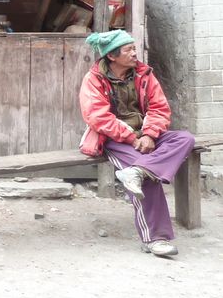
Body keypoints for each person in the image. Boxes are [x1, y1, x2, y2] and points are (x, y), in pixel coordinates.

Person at [79, 30, 195, 258]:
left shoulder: (144, 74)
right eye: (128, 49)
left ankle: (137, 171)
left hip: (146, 134)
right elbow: (98, 117)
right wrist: (133, 137)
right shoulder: (93, 79)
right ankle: (155, 239)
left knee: (185, 139)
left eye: (134, 48)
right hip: (113, 138)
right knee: (148, 179)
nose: (135, 53)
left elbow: (160, 108)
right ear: (112, 56)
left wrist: (150, 135)